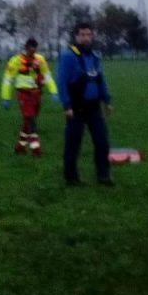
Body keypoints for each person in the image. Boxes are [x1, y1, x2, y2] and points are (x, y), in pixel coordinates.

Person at [58, 22, 114, 187]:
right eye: (82, 35)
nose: (86, 38)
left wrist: (107, 100)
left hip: (94, 108)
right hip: (76, 108)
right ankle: (71, 177)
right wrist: (67, 106)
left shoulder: (95, 57)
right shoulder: (68, 56)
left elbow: (100, 80)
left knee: (102, 141)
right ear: (76, 36)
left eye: (89, 34)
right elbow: (62, 82)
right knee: (73, 143)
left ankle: (103, 175)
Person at [0, 37, 59, 155]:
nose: (33, 51)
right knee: (31, 119)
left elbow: (47, 76)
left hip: (37, 94)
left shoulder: (40, 60)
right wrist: (6, 97)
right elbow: (8, 80)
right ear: (26, 48)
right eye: (30, 49)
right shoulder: (15, 61)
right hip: (23, 94)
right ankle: (35, 147)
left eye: (35, 49)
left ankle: (20, 146)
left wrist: (54, 91)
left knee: (28, 121)